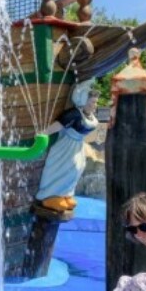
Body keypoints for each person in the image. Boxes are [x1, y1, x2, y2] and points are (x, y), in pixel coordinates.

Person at [35, 79, 99, 212]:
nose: (95, 105)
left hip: (78, 146)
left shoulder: (90, 116)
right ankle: (50, 196)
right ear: (83, 100)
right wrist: (43, 134)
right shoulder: (74, 114)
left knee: (77, 168)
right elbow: (58, 125)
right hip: (66, 146)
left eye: (95, 102)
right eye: (92, 102)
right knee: (64, 168)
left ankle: (66, 193)